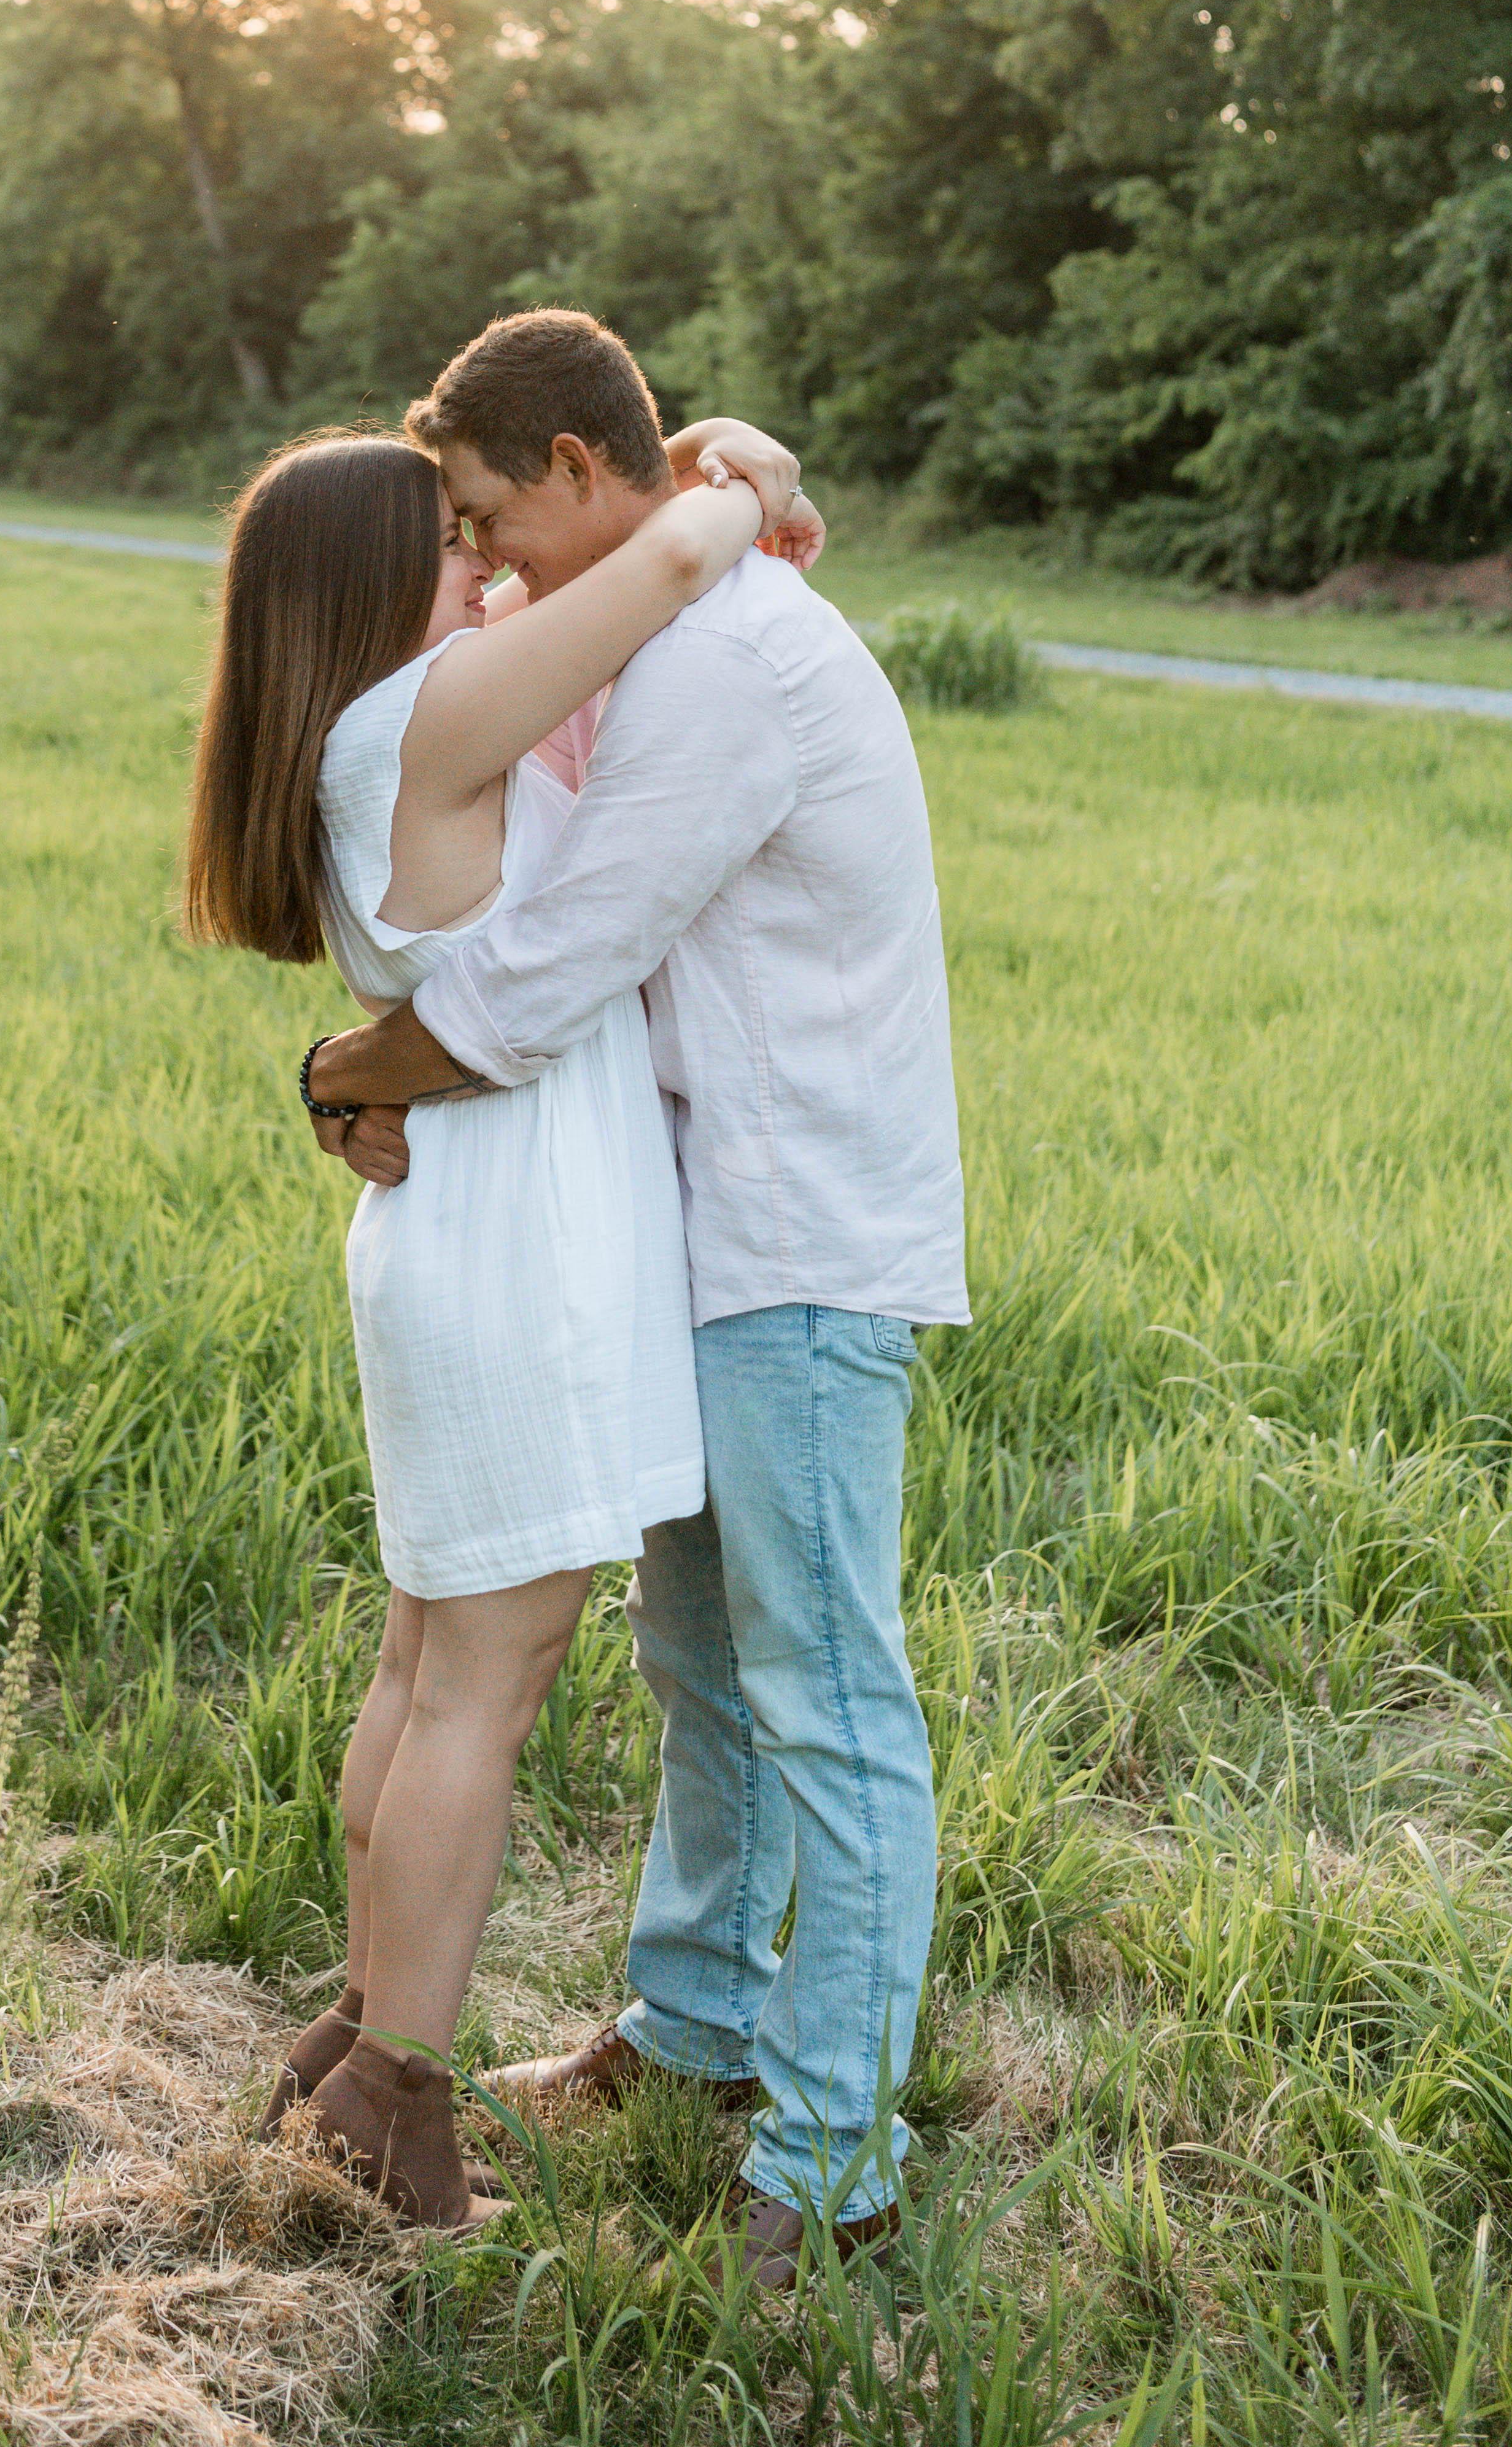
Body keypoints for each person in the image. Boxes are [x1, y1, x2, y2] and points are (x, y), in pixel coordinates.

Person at [306, 309, 967, 2293]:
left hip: (798, 1245)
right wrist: (739, 480)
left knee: (827, 1698)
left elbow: (554, 966)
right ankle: (690, 2029)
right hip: (685, 1236)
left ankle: (835, 2158)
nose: (486, 561)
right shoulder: (643, 630)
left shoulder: (729, 664)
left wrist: (355, 1068)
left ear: (585, 474)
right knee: (701, 1669)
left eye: (493, 516)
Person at [178, 407, 816, 2228]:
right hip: (520, 1255)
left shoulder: (362, 736)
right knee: (485, 1687)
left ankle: (357, 2035)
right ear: (373, 585)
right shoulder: (424, 718)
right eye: (449, 542)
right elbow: (668, 559)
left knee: (423, 1670)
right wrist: (740, 485)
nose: (485, 562)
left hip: (456, 1235)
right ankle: (398, 2104)